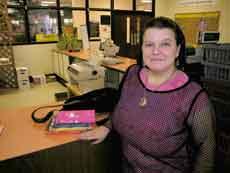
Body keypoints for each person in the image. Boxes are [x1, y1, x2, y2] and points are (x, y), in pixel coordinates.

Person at [79, 16, 216, 173]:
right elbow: (120, 108)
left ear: (177, 50)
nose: (156, 51)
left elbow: (207, 152)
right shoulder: (132, 75)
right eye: (149, 44)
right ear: (142, 49)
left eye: (165, 44)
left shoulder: (193, 97)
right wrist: (107, 127)